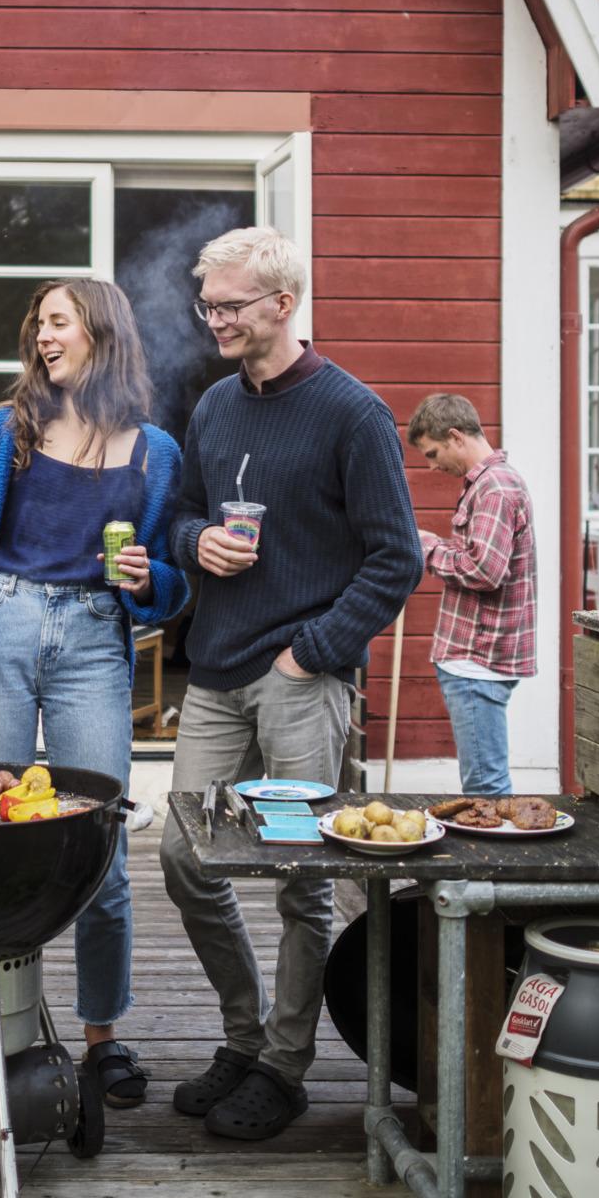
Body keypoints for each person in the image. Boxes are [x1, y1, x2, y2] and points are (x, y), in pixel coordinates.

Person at [157, 227, 422, 1142]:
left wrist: (313, 651)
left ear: (283, 303)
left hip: (303, 678)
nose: (217, 321)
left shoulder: (354, 413)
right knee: (185, 859)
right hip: (219, 670)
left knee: (304, 881)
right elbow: (181, 516)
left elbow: (395, 561)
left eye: (231, 305)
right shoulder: (214, 408)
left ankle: (284, 1062)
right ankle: (243, 1034)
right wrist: (197, 544)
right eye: (210, 306)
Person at [0, 278, 189, 1108]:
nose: (41, 336)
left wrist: (149, 576)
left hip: (95, 646)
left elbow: (169, 583)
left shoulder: (156, 452)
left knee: (99, 845)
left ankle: (103, 1036)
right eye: (38, 325)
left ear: (101, 331)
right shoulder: (9, 430)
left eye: (56, 322)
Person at [407, 393, 537, 796]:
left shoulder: (495, 488)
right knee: (483, 784)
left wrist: (428, 549)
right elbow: (480, 556)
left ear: (455, 436)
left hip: (477, 660)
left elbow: (484, 571)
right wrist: (437, 542)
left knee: (486, 788)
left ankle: (499, 859)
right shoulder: (492, 483)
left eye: (432, 452)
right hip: (474, 659)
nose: (431, 465)